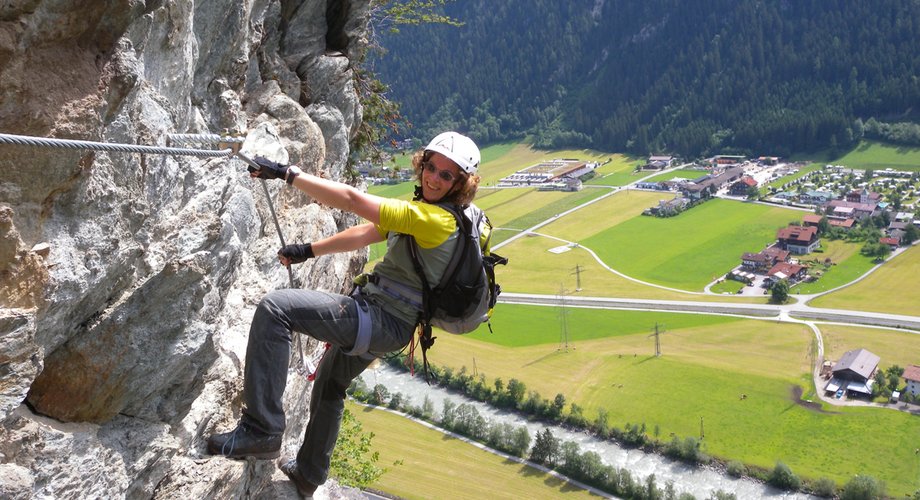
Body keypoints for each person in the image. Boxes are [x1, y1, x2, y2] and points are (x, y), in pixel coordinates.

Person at [206, 131, 483, 497]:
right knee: (332, 381)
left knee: (276, 309)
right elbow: (367, 232)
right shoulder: (436, 215)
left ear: (461, 184)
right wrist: (308, 250)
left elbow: (353, 200)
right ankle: (308, 473)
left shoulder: (435, 221)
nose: (432, 177)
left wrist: (287, 174)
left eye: (446, 175)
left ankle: (262, 429)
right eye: (431, 167)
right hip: (389, 319)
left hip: (382, 317)